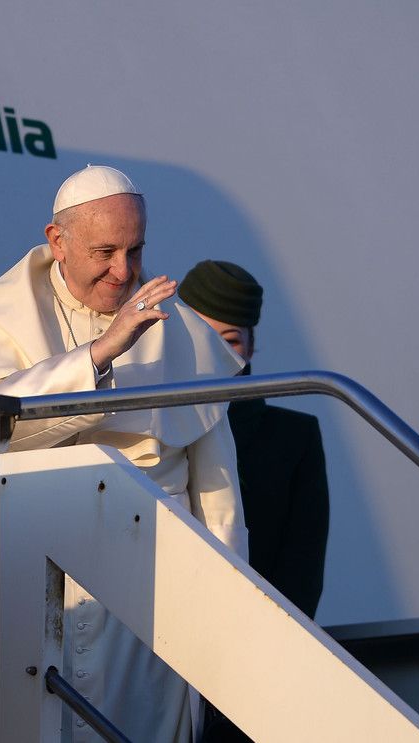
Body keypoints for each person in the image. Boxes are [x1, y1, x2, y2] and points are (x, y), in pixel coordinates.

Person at [0, 165, 247, 742]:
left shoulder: (183, 332)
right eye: (105, 252)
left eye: (135, 250)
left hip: (149, 613)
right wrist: (99, 355)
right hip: (34, 593)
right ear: (58, 241)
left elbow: (218, 497)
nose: (123, 271)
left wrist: (223, 620)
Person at [179, 260, 330, 743]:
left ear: (250, 345)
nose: (215, 351)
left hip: (254, 670)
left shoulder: (294, 437)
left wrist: (265, 666)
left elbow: (301, 572)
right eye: (201, 334)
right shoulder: (146, 423)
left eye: (230, 339)